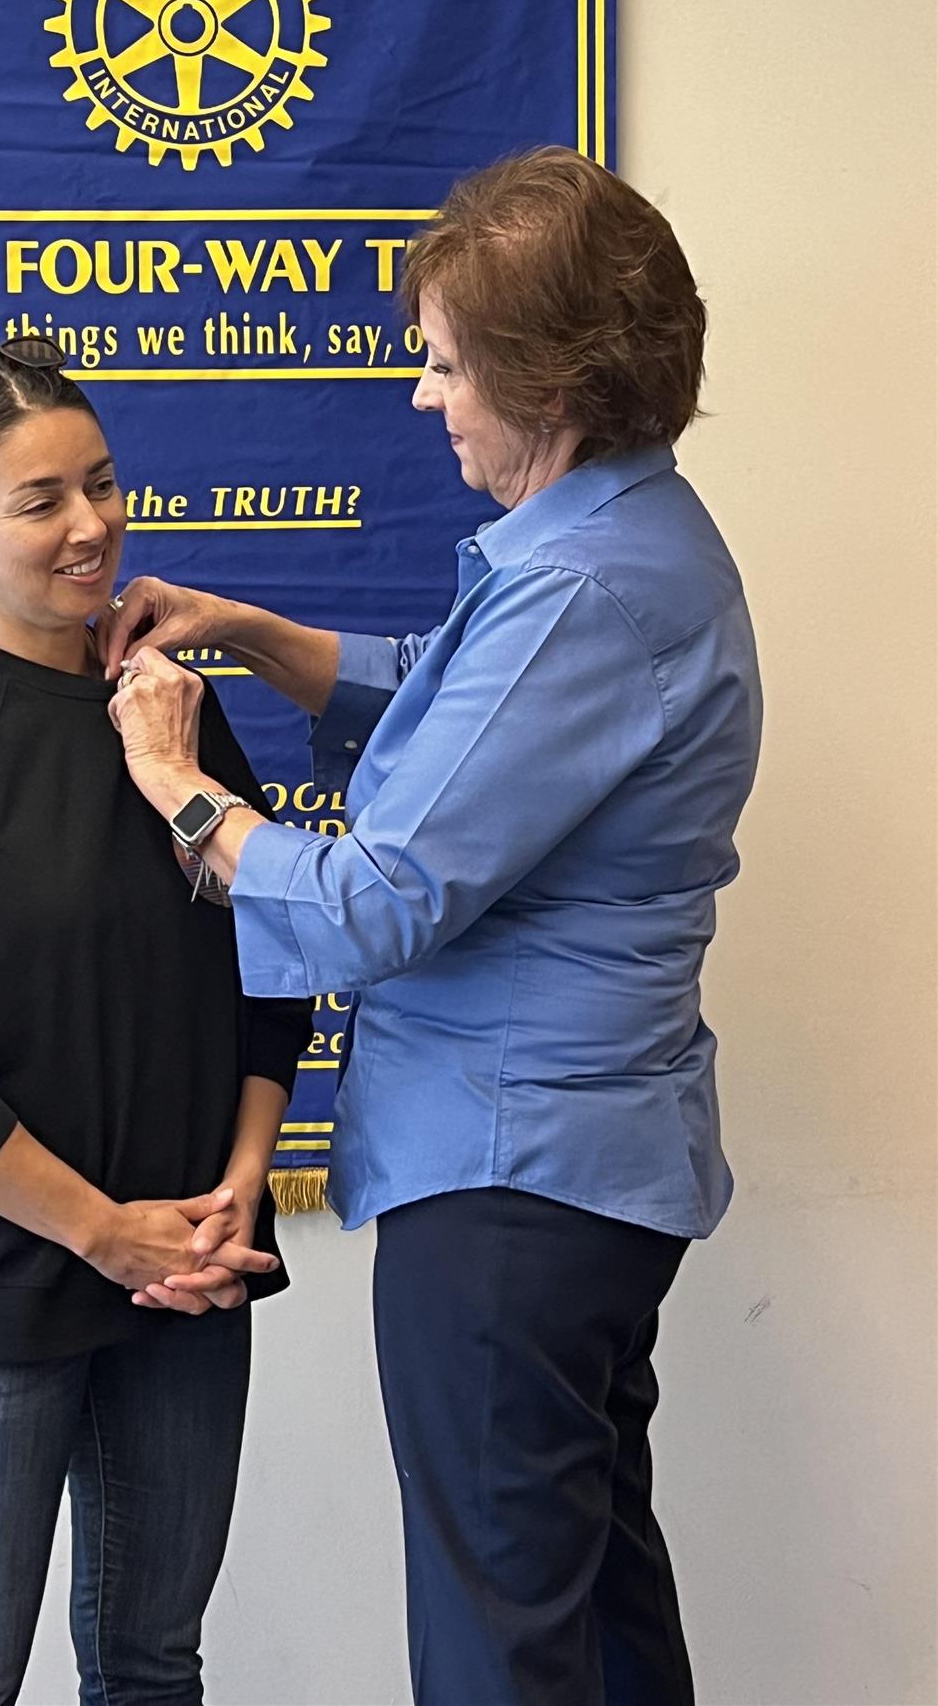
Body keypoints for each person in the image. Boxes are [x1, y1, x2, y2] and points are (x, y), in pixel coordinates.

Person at [101, 149, 762, 1706]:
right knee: (590, 1610)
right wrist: (257, 635)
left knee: (498, 1644)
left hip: (512, 1182)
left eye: (446, 365)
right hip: (582, 1171)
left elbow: (376, 903)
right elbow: (459, 702)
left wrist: (179, 790)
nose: (423, 396)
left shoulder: (578, 589)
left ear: (549, 383)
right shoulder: (633, 534)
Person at [0, 337, 307, 1706]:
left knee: (153, 1667)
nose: (89, 526)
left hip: (184, 1278)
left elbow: (276, 957)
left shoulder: (173, 716)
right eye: (40, 501)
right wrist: (100, 1230)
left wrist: (237, 1189)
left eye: (100, 485)